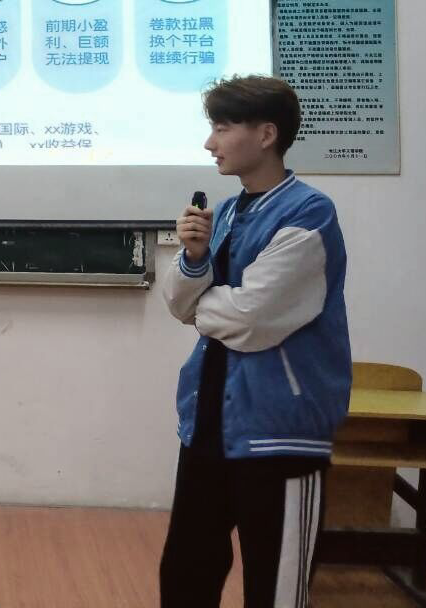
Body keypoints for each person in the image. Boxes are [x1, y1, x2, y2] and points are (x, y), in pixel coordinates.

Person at [157, 75, 352, 608]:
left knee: (275, 588)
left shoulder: (309, 213)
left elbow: (251, 319)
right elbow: (179, 303)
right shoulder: (223, 213)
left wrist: (203, 306)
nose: (210, 143)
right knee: (186, 574)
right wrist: (195, 259)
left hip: (279, 432)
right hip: (208, 425)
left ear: (266, 135)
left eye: (223, 128)